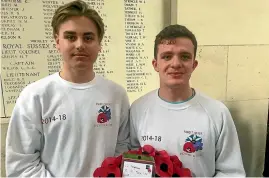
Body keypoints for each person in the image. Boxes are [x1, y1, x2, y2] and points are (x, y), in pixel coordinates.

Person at [5, 0, 130, 177]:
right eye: (70, 37)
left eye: (88, 37)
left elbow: (122, 149)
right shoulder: (35, 96)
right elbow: (21, 164)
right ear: (57, 42)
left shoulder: (116, 95)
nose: (80, 45)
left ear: (99, 44)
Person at [129, 24, 246, 177]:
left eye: (184, 56)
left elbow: (231, 172)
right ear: (155, 64)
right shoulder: (138, 109)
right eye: (167, 56)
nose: (176, 64)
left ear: (194, 64)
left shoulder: (218, 113)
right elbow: (132, 165)